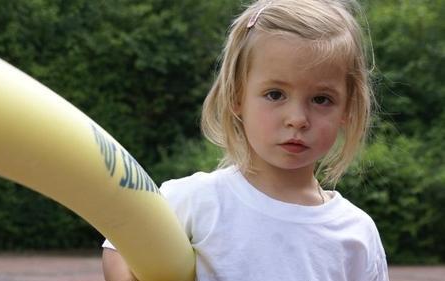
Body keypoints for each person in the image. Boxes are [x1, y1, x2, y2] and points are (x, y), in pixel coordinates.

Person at [102, 0, 389, 280]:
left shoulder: (356, 234)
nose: (298, 118)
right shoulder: (195, 200)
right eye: (275, 94)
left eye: (321, 99)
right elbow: (118, 247)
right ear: (236, 96)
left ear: (347, 109)